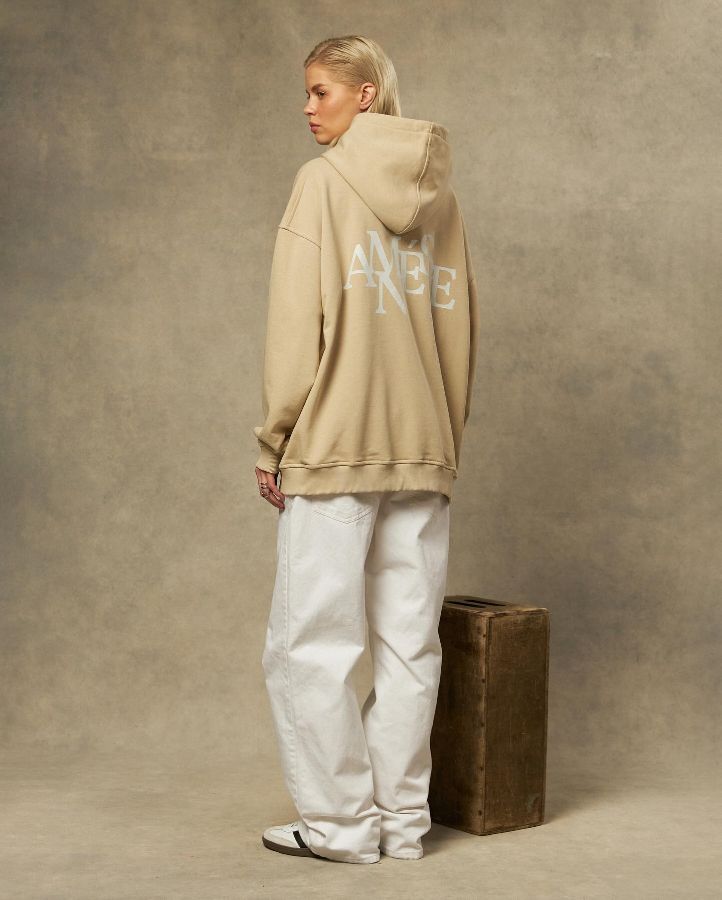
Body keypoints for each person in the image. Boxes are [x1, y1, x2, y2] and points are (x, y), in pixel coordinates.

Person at [254, 35, 479, 864]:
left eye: (321, 91)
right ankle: (402, 825)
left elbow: (295, 327)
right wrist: (442, 439)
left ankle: (343, 828)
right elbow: (459, 332)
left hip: (337, 446)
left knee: (311, 646)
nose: (308, 108)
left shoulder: (320, 184)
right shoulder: (444, 204)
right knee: (408, 645)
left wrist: (276, 438)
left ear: (366, 94)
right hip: (423, 448)